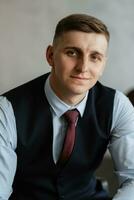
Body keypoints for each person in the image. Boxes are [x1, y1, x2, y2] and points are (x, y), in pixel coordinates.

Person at [0, 13, 134, 200]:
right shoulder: (7, 109)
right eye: (72, 52)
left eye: (95, 57)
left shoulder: (117, 106)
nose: (83, 67)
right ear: (50, 55)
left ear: (103, 64)